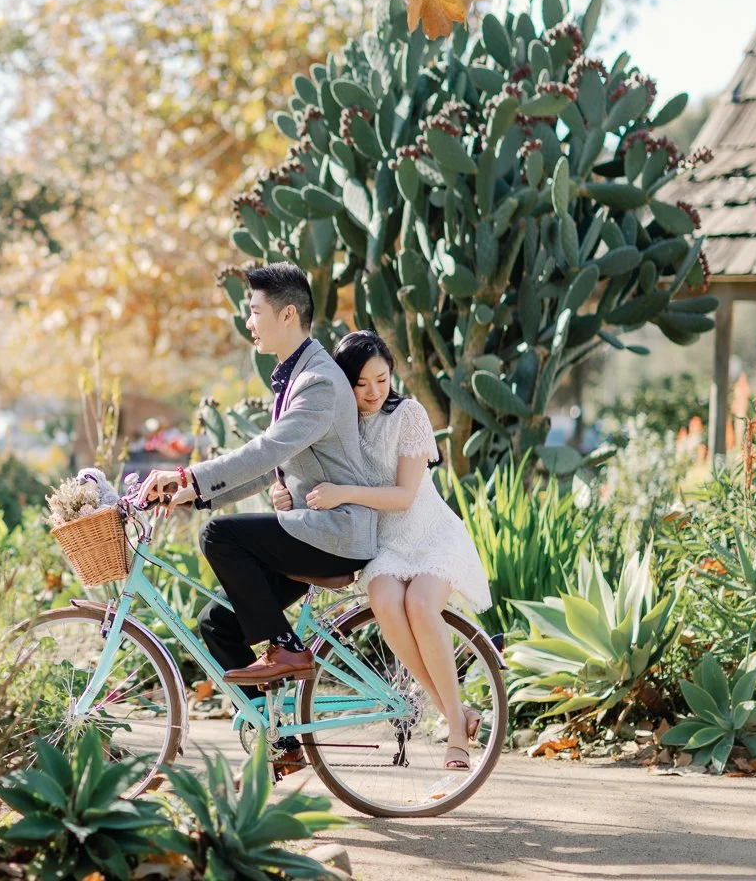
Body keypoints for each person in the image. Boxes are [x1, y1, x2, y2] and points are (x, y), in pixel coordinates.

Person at [137, 263, 378, 693]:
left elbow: (266, 450)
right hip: (313, 532)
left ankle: (285, 648)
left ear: (287, 315)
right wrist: (192, 494)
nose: (248, 322)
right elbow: (274, 467)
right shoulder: (297, 374)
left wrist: (186, 474)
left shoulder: (318, 382)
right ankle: (277, 737)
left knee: (219, 537)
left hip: (336, 534)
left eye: (254, 311)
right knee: (218, 623)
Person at [292, 330, 493, 771]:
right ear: (344, 383)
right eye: (361, 383)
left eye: (381, 380)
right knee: (385, 600)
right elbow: (301, 464)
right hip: (384, 542)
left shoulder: (410, 415)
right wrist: (285, 494)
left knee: (421, 604)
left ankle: (456, 735)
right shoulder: (340, 423)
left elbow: (404, 496)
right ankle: (455, 712)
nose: (373, 392)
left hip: (429, 534)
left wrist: (341, 491)